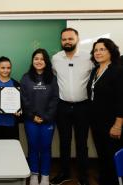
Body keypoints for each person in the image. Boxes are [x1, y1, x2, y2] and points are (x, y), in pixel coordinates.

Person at [51, 28, 94, 185]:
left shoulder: (89, 57)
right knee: (64, 142)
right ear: (61, 41)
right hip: (62, 107)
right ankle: (64, 173)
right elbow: (54, 75)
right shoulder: (56, 59)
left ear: (77, 39)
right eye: (64, 39)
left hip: (83, 107)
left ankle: (83, 176)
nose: (67, 41)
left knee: (82, 143)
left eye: (70, 38)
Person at [87, 38, 123, 185]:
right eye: (95, 50)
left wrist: (118, 125)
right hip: (96, 122)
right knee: (102, 155)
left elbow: (121, 99)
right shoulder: (95, 71)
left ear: (111, 51)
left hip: (112, 123)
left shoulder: (118, 71)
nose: (98, 52)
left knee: (112, 157)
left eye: (102, 49)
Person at [21, 48, 59, 185]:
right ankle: (33, 175)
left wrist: (46, 117)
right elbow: (24, 100)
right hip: (31, 120)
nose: (39, 61)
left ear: (46, 61)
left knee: (45, 147)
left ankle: (45, 176)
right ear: (32, 61)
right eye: (36, 58)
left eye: (42, 59)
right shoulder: (26, 78)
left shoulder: (52, 78)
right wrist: (32, 116)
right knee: (32, 147)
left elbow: (55, 99)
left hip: (48, 120)